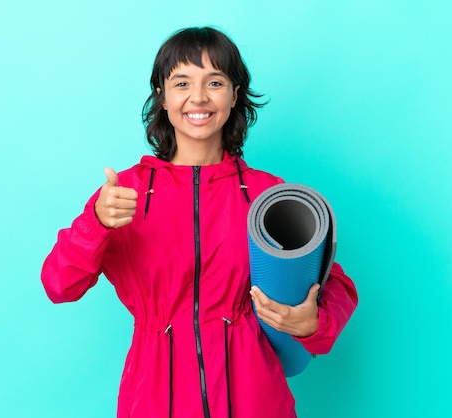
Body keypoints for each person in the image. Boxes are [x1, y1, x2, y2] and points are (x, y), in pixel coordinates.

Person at [41, 26, 358, 418]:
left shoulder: (266, 196)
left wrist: (313, 322)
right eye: (181, 82)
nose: (198, 97)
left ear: (234, 94)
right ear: (161, 94)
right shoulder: (123, 195)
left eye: (214, 81)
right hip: (155, 398)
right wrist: (97, 223)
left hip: (254, 397)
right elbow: (59, 284)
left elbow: (335, 282)